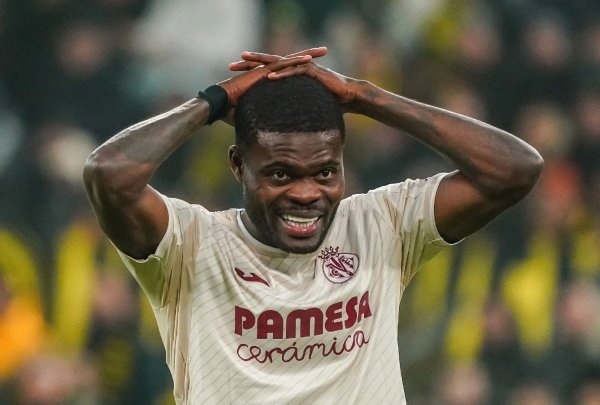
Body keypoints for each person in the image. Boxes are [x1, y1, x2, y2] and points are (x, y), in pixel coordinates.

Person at [83, 47, 543, 404]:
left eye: (325, 172)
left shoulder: (382, 224)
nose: (306, 194)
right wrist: (214, 101)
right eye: (281, 174)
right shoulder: (191, 245)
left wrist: (364, 96)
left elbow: (514, 169)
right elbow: (109, 174)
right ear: (238, 165)